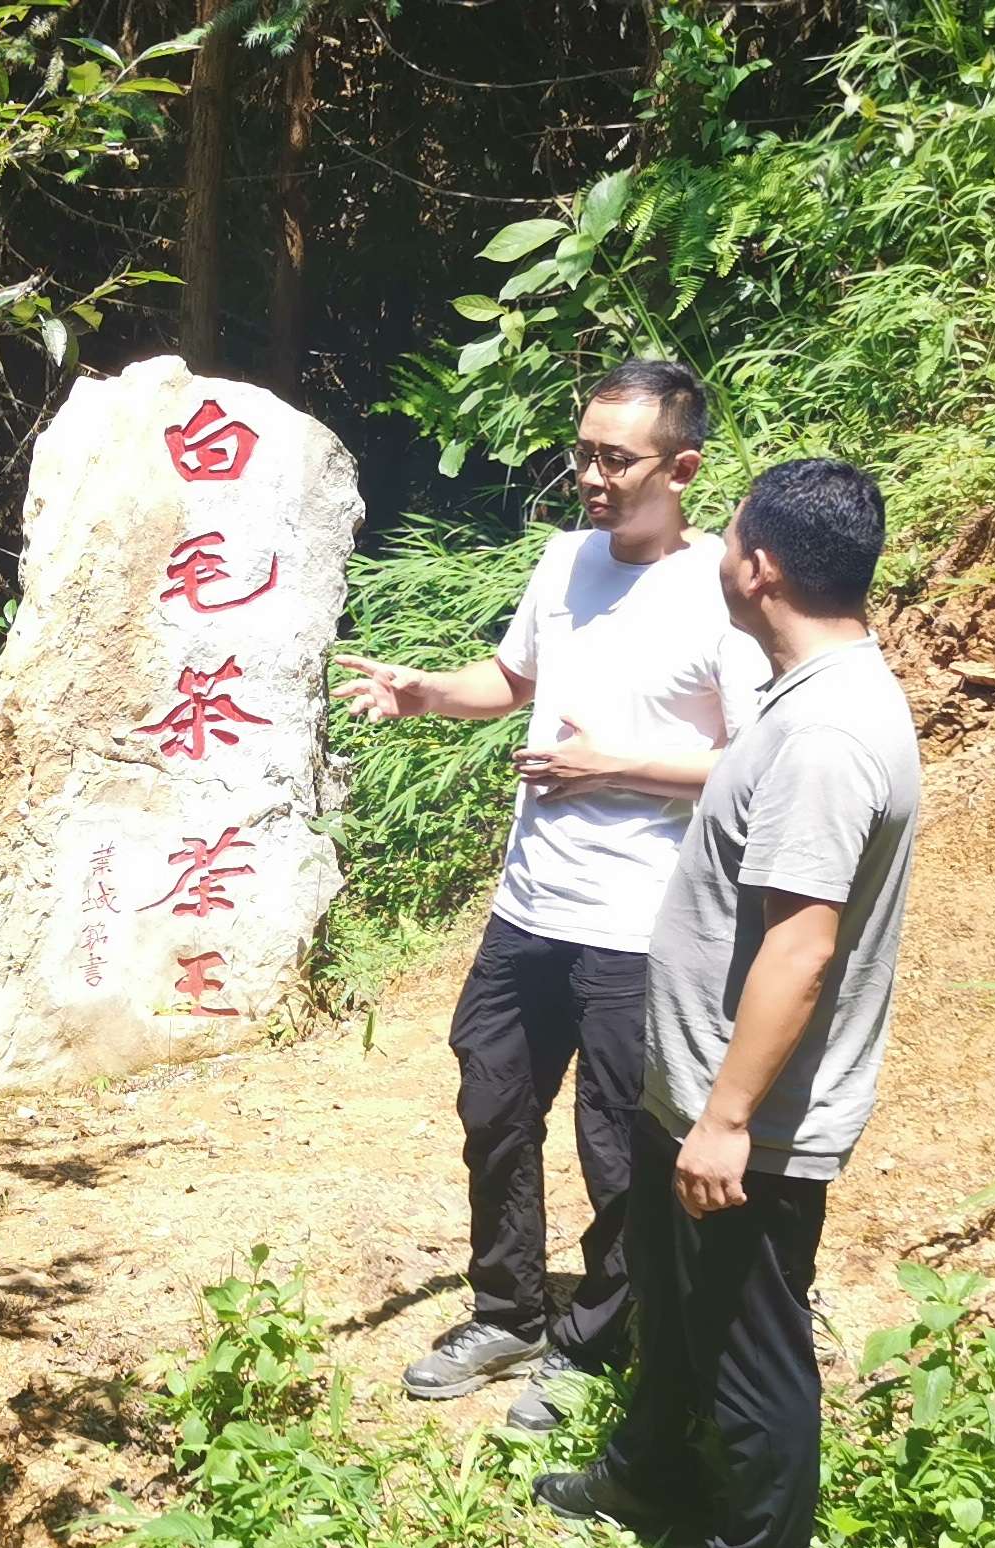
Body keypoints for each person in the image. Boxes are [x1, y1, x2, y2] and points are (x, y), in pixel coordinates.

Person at [331, 360, 770, 1432]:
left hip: (642, 924)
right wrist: (428, 693)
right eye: (583, 452)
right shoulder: (565, 560)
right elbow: (517, 684)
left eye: (615, 458)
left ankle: (593, 1339)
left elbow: (758, 764)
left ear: (685, 467)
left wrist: (612, 768)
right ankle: (509, 1310)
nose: (591, 475)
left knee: (617, 1144)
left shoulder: (724, 590)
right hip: (530, 907)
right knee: (492, 1106)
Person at [531, 457, 921, 1548]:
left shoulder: (829, 737)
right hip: (691, 1087)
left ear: (761, 568)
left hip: (746, 1119)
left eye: (731, 541)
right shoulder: (805, 698)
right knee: (675, 1304)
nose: (719, 558)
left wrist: (730, 1119)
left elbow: (801, 951)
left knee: (752, 1344)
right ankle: (649, 1466)